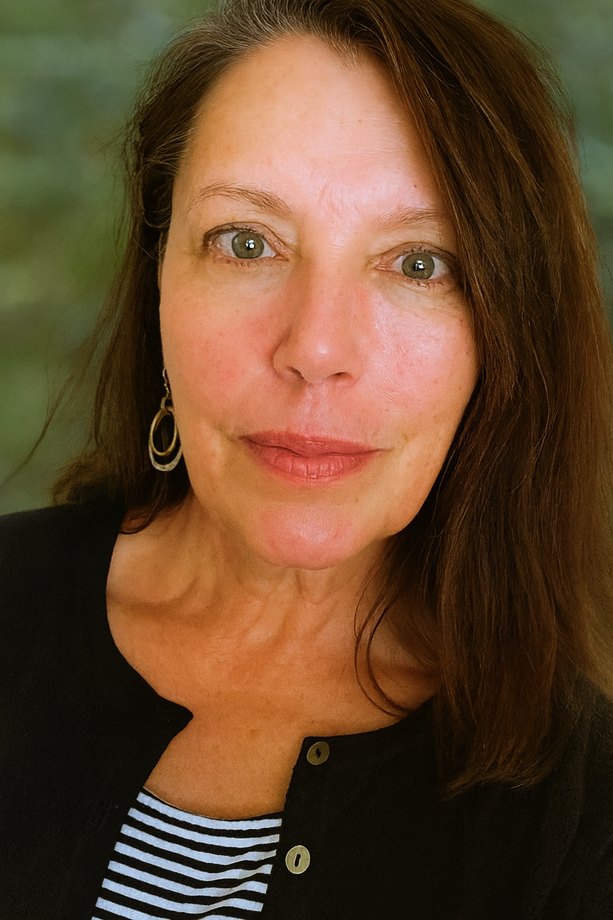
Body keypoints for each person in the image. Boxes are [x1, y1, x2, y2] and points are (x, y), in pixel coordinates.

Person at [1, 0, 612, 916]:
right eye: (246, 242)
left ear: (507, 335)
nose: (315, 347)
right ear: (159, 277)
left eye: (418, 263)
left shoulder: (581, 809)